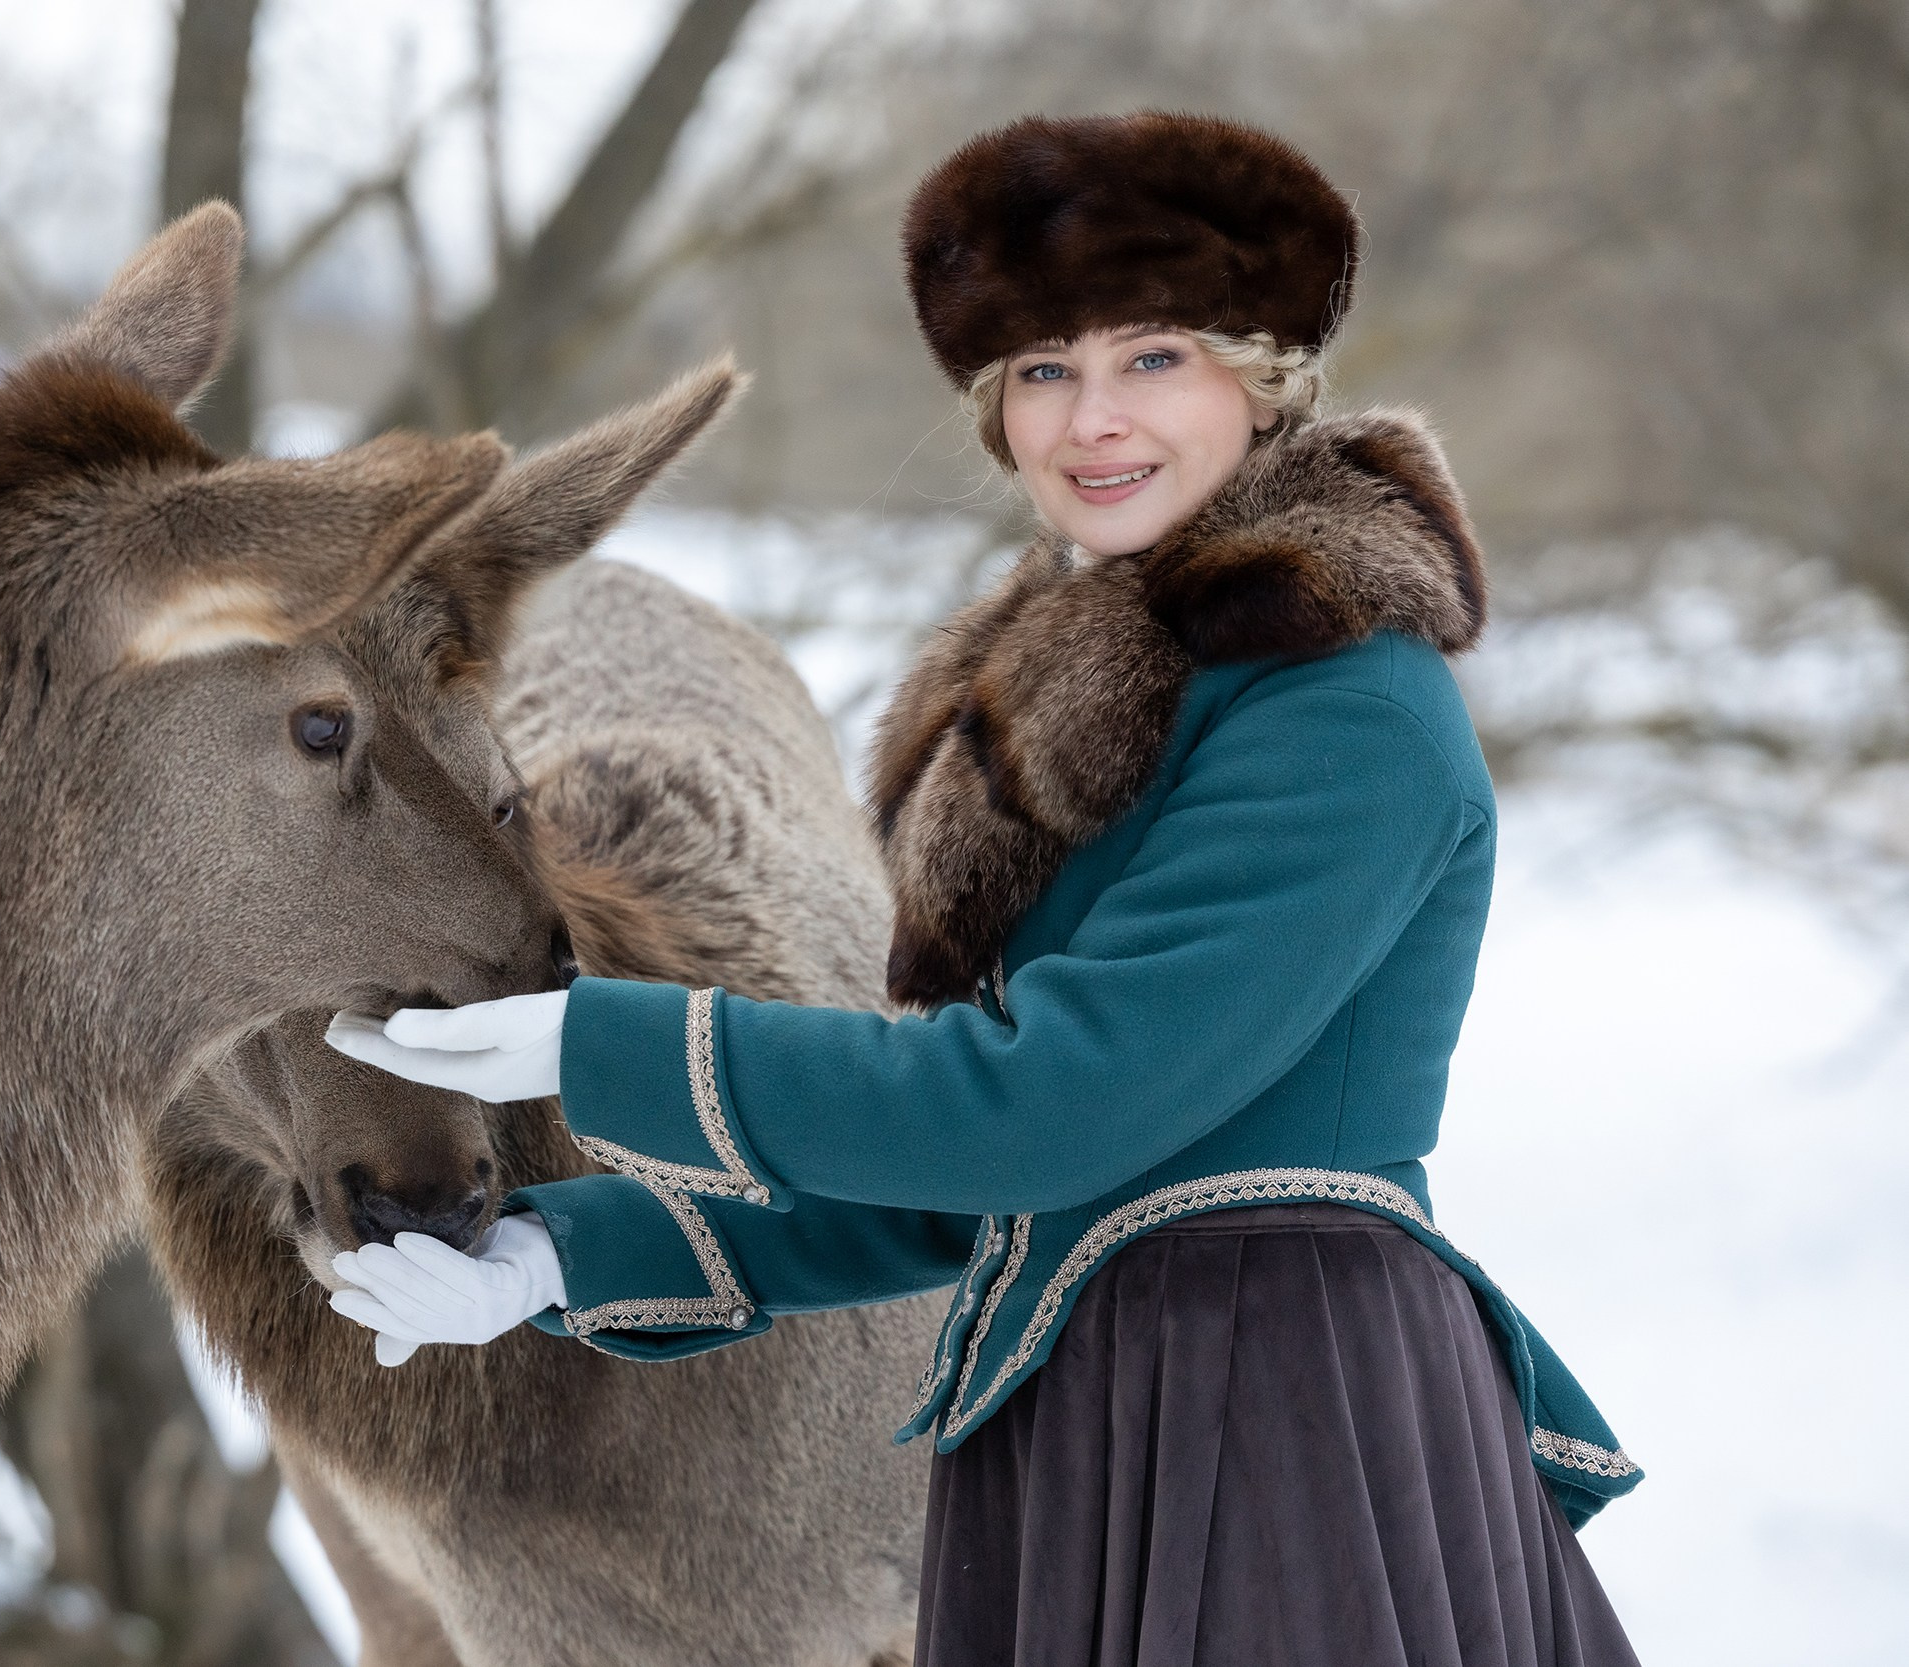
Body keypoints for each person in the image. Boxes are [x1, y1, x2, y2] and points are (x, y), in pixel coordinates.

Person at [324, 112, 1643, 1666]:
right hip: (1088, 1414)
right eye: (1041, 371)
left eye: (1152, 359)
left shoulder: (1338, 709)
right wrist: (564, 1255)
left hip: (1291, 1424)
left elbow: (1045, 1111)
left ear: (1264, 376)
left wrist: (588, 1043)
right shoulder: (1092, 706)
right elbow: (970, 1197)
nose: (1092, 419)